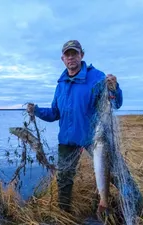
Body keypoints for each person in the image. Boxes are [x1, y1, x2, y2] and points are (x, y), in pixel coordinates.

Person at [26, 40, 123, 213]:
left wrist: (115, 89)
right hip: (68, 139)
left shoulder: (97, 77)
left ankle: (138, 209)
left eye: (74, 53)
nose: (71, 58)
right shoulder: (61, 84)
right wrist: (37, 111)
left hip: (94, 138)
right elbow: (55, 113)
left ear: (81, 55)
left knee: (117, 173)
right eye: (67, 55)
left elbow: (115, 104)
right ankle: (64, 213)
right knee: (64, 178)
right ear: (62, 58)